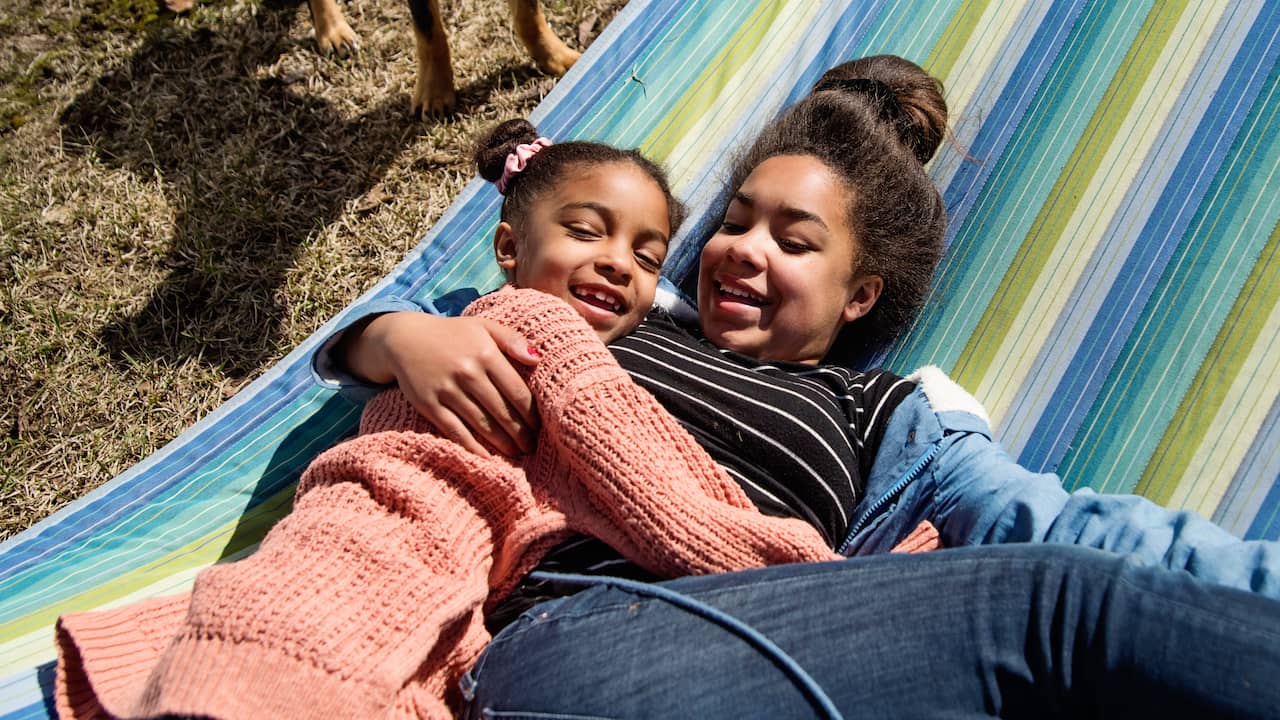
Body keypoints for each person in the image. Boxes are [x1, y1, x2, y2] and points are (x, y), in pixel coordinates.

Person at [327, 55, 1280, 616]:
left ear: (860, 295)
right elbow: (473, 311)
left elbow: (1069, 536)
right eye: (735, 220)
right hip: (539, 614)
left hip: (751, 630)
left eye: (793, 241)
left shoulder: (895, 420)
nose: (739, 251)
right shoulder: (619, 313)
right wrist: (394, 336)